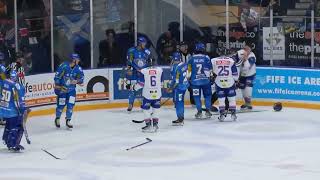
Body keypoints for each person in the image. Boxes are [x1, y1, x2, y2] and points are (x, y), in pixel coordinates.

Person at [130, 59, 163, 133]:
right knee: (156, 109)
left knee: (145, 109)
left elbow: (141, 84)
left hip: (147, 94)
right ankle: (155, 125)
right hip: (157, 94)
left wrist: (133, 87)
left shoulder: (144, 71)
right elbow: (160, 81)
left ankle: (148, 125)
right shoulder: (160, 70)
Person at [54, 53, 84, 129]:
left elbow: (82, 79)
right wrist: (59, 87)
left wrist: (76, 81)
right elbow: (57, 77)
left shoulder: (78, 68)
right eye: (77, 59)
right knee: (61, 106)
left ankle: (68, 120)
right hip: (62, 90)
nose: (79, 61)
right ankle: (57, 118)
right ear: (73, 60)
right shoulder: (63, 66)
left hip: (72, 91)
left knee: (70, 105)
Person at [1, 70, 26, 151]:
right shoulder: (17, 86)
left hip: (4, 110)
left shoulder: (3, 82)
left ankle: (6, 139)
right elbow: (18, 101)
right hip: (13, 111)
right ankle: (13, 144)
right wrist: (22, 111)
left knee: (8, 125)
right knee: (17, 127)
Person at [188, 42, 213, 119]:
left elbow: (189, 70)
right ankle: (208, 111)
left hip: (195, 82)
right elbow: (210, 69)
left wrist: (188, 78)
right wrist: (211, 77)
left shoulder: (191, 58)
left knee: (196, 97)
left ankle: (199, 112)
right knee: (208, 96)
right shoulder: (206, 57)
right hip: (206, 81)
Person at [126, 36, 151, 112]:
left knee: (145, 88)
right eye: (143, 43)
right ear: (139, 43)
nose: (145, 44)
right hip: (134, 72)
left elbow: (150, 62)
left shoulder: (147, 51)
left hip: (144, 73)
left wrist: (148, 70)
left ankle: (145, 103)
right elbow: (129, 61)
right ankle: (130, 104)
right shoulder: (131, 51)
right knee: (132, 88)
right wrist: (129, 69)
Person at [211, 56, 238, 122]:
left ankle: (222, 115)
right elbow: (235, 75)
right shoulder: (231, 60)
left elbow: (210, 70)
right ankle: (233, 114)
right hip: (230, 82)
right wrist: (236, 80)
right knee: (231, 99)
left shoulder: (213, 60)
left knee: (221, 100)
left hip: (219, 82)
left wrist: (212, 77)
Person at [232, 45, 256, 110]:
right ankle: (246, 103)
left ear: (250, 49)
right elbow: (233, 59)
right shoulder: (240, 52)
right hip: (242, 75)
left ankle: (249, 103)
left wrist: (245, 58)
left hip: (250, 75)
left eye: (247, 49)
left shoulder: (252, 56)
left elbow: (247, 67)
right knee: (243, 89)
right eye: (245, 48)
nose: (246, 50)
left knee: (248, 89)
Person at [169, 52, 189, 125]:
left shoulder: (176, 67)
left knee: (179, 102)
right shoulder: (184, 64)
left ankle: (180, 119)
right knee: (180, 101)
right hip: (185, 86)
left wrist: (171, 88)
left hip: (179, 88)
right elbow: (189, 74)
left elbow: (175, 81)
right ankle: (181, 117)